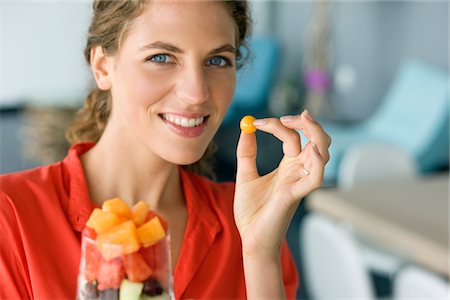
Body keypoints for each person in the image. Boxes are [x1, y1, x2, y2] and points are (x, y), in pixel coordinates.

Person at [0, 0, 331, 299]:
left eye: (217, 60)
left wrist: (259, 255)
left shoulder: (249, 224)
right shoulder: (11, 216)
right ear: (103, 67)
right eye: (161, 57)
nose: (197, 93)